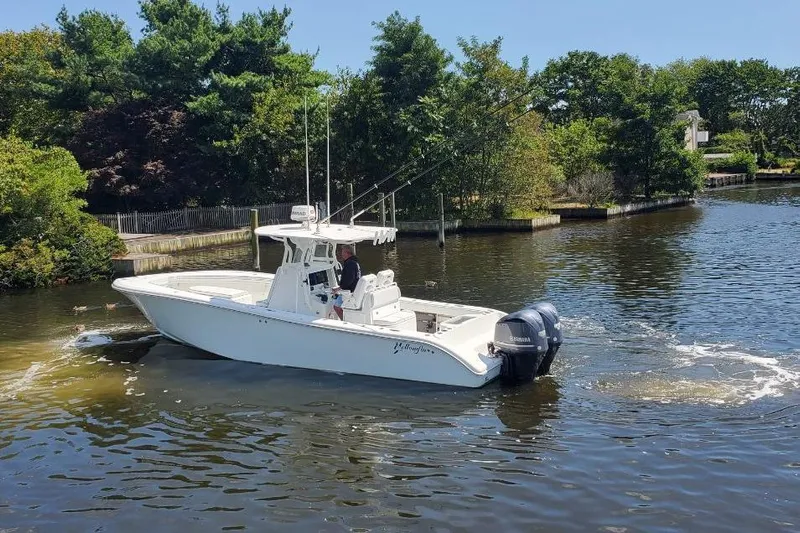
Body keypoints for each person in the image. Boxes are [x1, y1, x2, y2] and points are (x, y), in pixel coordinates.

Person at [332, 244, 361, 319]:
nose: (341, 254)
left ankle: (345, 321)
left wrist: (339, 288)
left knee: (336, 307)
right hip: (354, 289)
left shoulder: (349, 264)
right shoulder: (355, 262)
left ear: (348, 253)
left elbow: (349, 279)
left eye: (343, 252)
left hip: (349, 291)